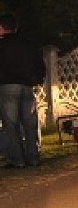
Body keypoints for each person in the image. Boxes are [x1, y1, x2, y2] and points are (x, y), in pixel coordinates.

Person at [0, 14, 46, 168]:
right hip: (27, 87)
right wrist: (38, 80)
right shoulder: (29, 45)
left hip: (7, 87)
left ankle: (17, 160)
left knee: (11, 125)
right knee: (29, 124)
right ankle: (33, 158)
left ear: (1, 28)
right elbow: (40, 65)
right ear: (16, 28)